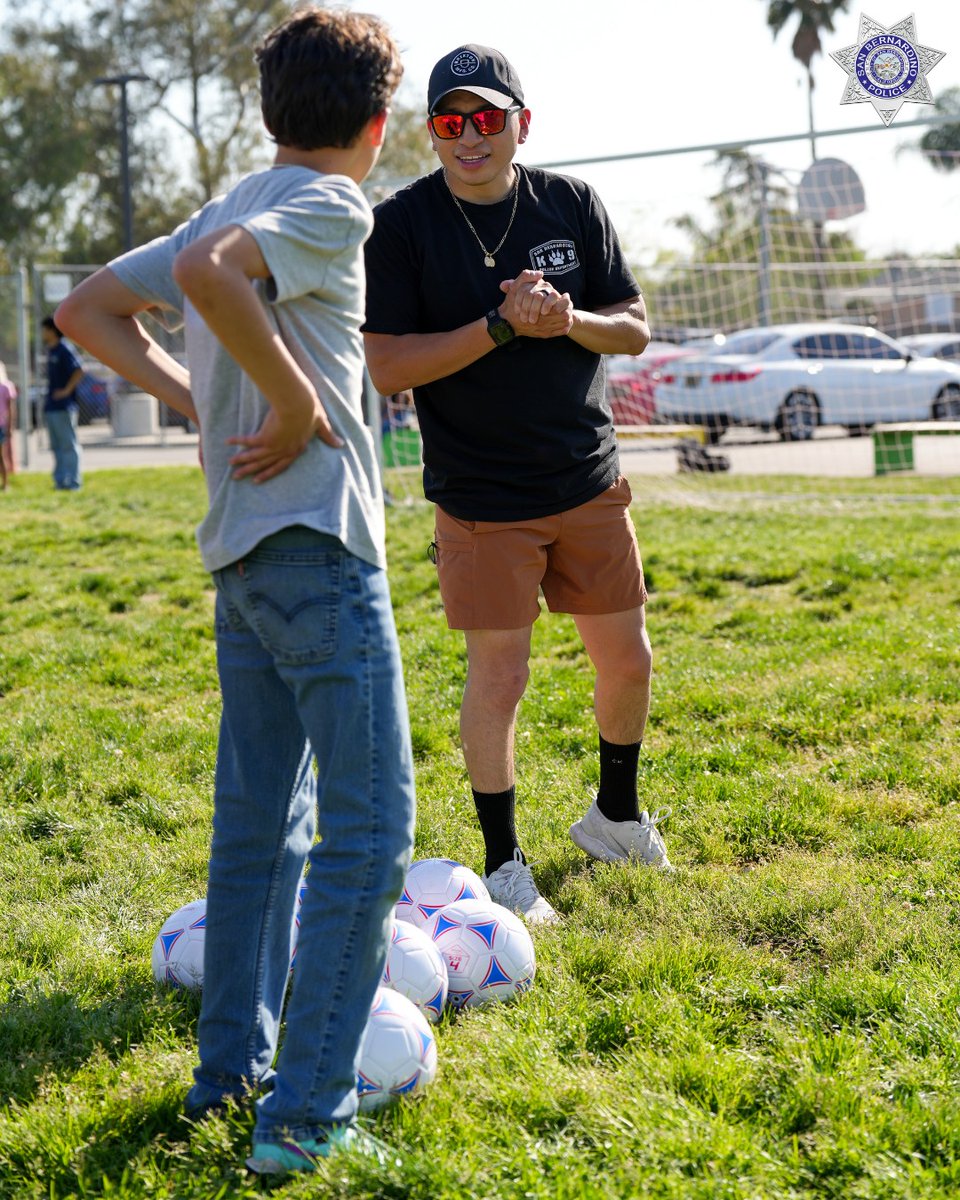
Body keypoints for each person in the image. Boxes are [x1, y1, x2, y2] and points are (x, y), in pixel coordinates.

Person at [55, 7, 414, 1176]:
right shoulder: (328, 202)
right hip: (317, 543)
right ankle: (306, 1108)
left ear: (271, 112)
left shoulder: (229, 204)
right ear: (376, 123)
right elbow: (211, 281)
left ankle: (228, 1076)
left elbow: (85, 312)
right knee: (371, 827)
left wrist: (195, 396)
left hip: (242, 560)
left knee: (265, 824)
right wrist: (298, 401)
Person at [363, 44, 672, 927]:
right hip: (481, 496)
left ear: (519, 125)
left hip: (586, 477)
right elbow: (386, 366)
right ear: (434, 134)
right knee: (500, 678)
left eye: (488, 118)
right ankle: (503, 866)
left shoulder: (571, 203)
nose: (470, 136)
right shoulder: (402, 224)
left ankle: (616, 817)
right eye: (452, 122)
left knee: (628, 658)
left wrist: (564, 319)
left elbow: (635, 330)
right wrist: (499, 327)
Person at [40, 316, 83, 490]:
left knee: (68, 445)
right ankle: (60, 481)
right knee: (56, 446)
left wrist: (66, 391)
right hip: (51, 406)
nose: (42, 333)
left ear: (52, 330)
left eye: (44, 329)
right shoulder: (51, 350)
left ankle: (73, 482)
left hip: (64, 407)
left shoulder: (65, 348)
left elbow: (79, 370)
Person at [0, 360, 16, 490]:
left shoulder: (5, 386)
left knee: (1, 456)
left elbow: (10, 409)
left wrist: (10, 426)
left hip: (1, 425)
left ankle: (5, 483)